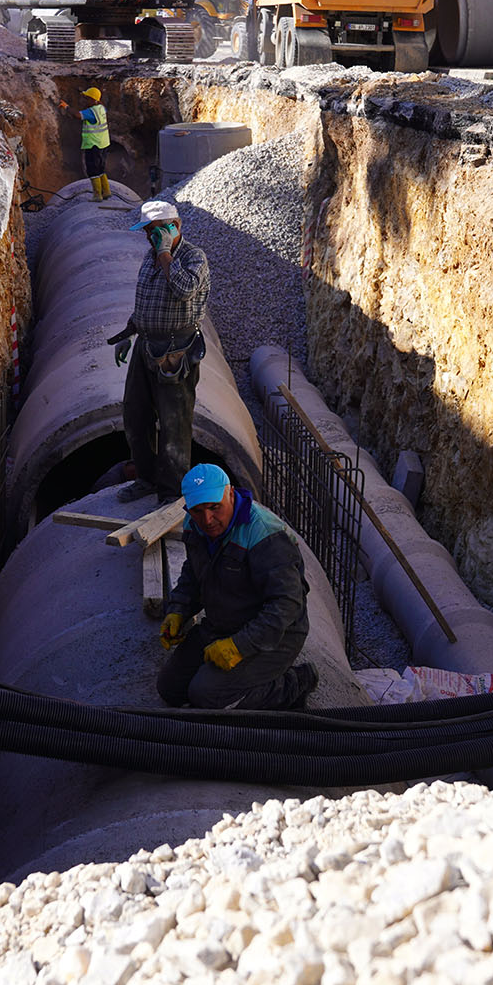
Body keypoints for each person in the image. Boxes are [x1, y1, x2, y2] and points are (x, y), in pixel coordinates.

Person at [157, 464, 319, 711]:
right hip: (222, 624)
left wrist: (239, 646)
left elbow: (286, 604)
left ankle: (294, 683)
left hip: (275, 636)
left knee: (206, 697)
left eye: (214, 507)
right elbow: (194, 572)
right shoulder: (194, 523)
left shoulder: (265, 535)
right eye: (197, 510)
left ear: (230, 493)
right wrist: (178, 609)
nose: (207, 519)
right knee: (170, 688)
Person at [107, 200, 209, 504]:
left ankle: (171, 491)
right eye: (147, 232)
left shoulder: (193, 257)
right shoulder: (151, 257)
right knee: (136, 416)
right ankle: (146, 479)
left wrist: (165, 253)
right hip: (146, 345)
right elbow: (146, 302)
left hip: (176, 350)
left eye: (154, 232)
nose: (149, 238)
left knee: (174, 424)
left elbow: (183, 289)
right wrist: (129, 332)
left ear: (174, 227)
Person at [74, 85, 111, 201]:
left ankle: (97, 195)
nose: (85, 100)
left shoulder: (92, 112)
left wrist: (66, 107)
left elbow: (77, 115)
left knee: (92, 169)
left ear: (93, 100)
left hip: (93, 144)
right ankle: (106, 191)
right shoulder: (102, 108)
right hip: (103, 144)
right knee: (100, 168)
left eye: (87, 98)